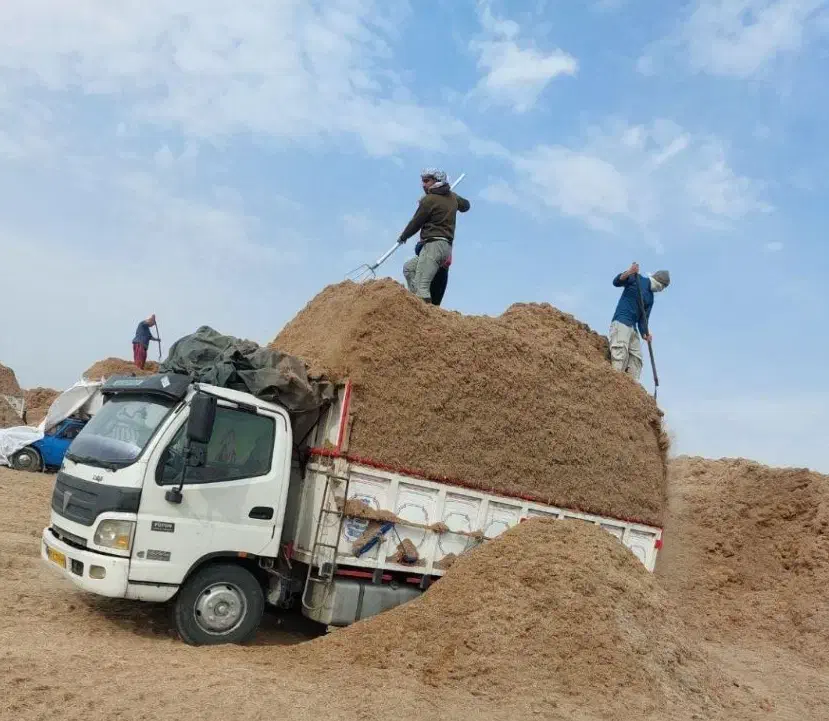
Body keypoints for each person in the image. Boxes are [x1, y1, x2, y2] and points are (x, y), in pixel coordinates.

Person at [400, 168, 470, 304]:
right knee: (409, 268)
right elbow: (466, 206)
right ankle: (415, 304)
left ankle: (423, 313)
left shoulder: (429, 200)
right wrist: (451, 196)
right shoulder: (451, 197)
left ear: (437, 181)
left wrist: (403, 237)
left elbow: (416, 222)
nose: (423, 184)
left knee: (422, 287)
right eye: (422, 181)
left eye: (427, 181)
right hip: (443, 248)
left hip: (434, 245)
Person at [609, 263, 670, 380]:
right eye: (662, 286)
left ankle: (631, 388)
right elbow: (616, 282)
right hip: (622, 321)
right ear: (659, 282)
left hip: (633, 328)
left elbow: (643, 320)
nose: (661, 289)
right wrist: (629, 272)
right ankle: (614, 380)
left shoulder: (650, 298)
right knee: (620, 351)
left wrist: (645, 333)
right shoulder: (637, 278)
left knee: (637, 358)